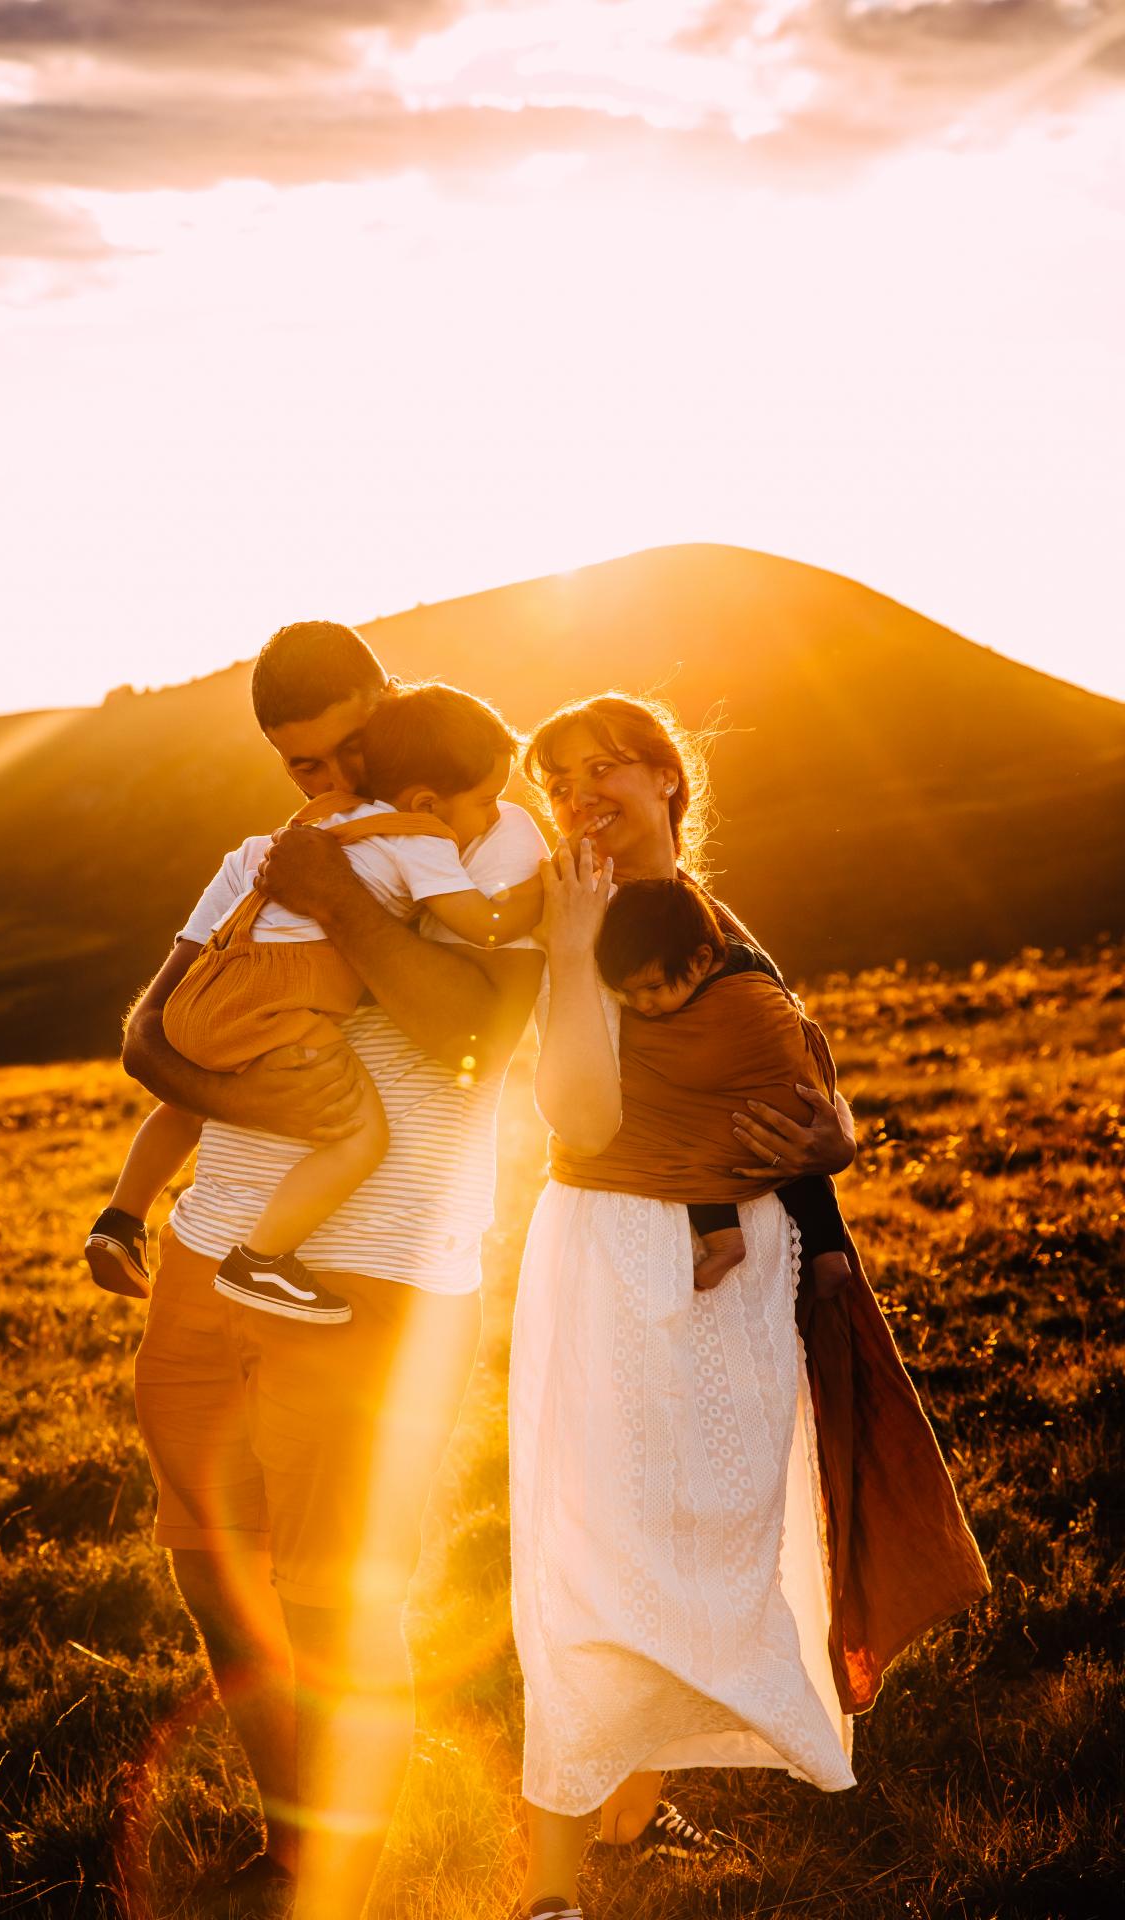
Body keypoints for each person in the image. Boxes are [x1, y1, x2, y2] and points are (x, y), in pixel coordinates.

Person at [508, 693, 988, 1920]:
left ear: (671, 782)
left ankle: (627, 1802)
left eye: (607, 766)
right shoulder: (559, 920)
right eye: (557, 779)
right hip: (610, 1255)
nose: (580, 794)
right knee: (591, 1551)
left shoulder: (724, 931)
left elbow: (786, 1088)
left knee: (716, 1535)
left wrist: (831, 1141)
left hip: (741, 1261)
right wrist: (566, 957)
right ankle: (554, 1888)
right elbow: (579, 1119)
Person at [120, 622, 547, 1920]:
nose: (324, 783)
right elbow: (147, 1034)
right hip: (209, 1264)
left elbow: (473, 1033)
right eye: (297, 766)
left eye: (344, 750)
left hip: (383, 1285)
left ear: (394, 706)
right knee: (213, 1576)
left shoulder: (496, 843)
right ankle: (292, 1847)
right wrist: (254, 1096)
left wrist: (345, 893)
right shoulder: (259, 859)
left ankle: (340, 1888)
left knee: (342, 1608)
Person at [86, 683, 541, 1318]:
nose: (335, 776)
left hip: (218, 987)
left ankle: (120, 1218)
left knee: (185, 1101)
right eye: (305, 764)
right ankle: (262, 1260)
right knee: (360, 1136)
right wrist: (541, 896)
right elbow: (481, 925)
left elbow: (153, 1032)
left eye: (352, 750)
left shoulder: (309, 825)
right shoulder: (422, 838)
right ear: (429, 798)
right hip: (286, 996)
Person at [593, 874, 852, 1298]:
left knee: (694, 1145)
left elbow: (786, 1022)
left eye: (653, 988)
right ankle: (829, 1252)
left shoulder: (737, 979)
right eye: (628, 995)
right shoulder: (746, 959)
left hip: (770, 1106)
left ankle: (726, 1242)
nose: (643, 1006)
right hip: (780, 1117)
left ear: (699, 961)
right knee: (802, 1169)